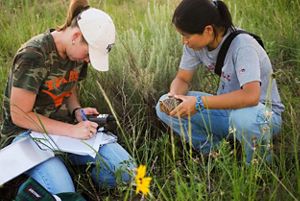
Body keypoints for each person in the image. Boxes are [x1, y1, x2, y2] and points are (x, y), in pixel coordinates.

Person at [1, 0, 135, 194]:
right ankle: (25, 184)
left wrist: (76, 110)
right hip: (26, 135)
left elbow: (69, 86)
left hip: (65, 131)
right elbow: (20, 115)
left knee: (127, 170)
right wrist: (72, 131)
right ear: (76, 36)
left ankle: (65, 164)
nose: (88, 60)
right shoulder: (34, 55)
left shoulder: (76, 54)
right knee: (63, 191)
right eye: (89, 54)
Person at [156, 0, 284, 164]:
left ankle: (260, 169)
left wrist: (199, 103)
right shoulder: (195, 46)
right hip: (227, 111)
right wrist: (174, 96)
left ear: (208, 30)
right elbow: (182, 78)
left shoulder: (243, 46)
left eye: (186, 36)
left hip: (262, 116)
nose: (184, 41)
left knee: (244, 118)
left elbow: (251, 96)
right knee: (164, 106)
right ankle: (219, 155)